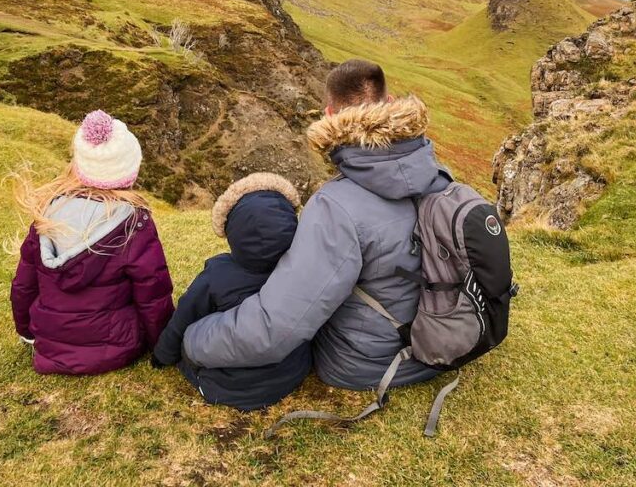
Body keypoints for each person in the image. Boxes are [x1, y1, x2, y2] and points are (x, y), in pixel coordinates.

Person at [182, 59, 453, 392]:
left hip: (368, 365)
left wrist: (193, 337)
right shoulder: (437, 172)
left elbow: (274, 329)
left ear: (328, 114)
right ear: (393, 102)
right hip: (447, 337)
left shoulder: (334, 206)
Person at [10, 109, 174, 375]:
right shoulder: (135, 224)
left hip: (50, 344)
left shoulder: (47, 217)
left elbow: (23, 286)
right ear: (131, 171)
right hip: (116, 347)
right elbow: (152, 294)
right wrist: (162, 345)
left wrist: (28, 332)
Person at [151, 173, 312, 410]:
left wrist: (162, 355)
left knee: (194, 336)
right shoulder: (302, 271)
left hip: (227, 385)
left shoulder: (217, 274)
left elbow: (184, 317)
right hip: (288, 375)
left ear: (232, 231)